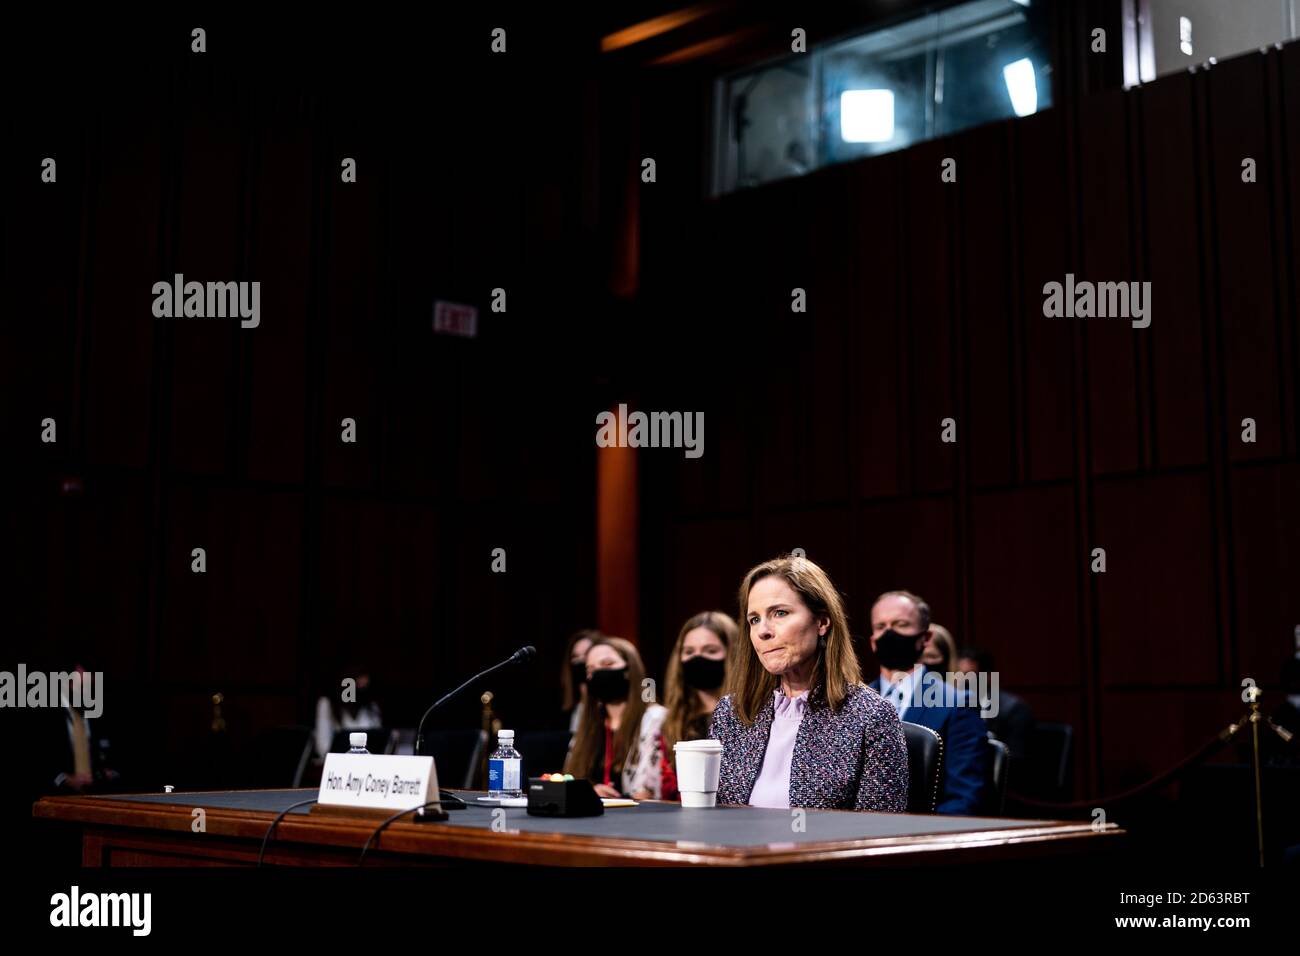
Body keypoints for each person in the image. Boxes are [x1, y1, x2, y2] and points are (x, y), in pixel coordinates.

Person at [708, 555, 908, 811]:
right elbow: (710, 819)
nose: (763, 631)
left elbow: (878, 835)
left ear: (822, 622)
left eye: (779, 613)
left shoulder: (871, 716)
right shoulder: (731, 712)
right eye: (754, 619)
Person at [868, 591, 987, 814]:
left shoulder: (957, 705)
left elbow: (964, 799)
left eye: (901, 624)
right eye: (881, 626)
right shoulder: (852, 703)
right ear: (873, 642)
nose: (889, 633)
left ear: (926, 638)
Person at [564, 636, 672, 800]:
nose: (598, 673)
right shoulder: (589, 725)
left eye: (607, 664)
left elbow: (649, 791)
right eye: (591, 670)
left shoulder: (655, 718)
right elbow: (569, 780)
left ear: (630, 670)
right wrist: (589, 792)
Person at [661, 612, 736, 785]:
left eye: (710, 651)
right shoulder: (671, 721)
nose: (698, 658)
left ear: (732, 654)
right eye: (689, 651)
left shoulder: (751, 715)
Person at [956, 647, 1035, 762]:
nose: (961, 682)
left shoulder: (1015, 710)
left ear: (988, 677)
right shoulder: (954, 706)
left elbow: (1015, 760)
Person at [315, 666, 383, 758]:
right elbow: (323, 746)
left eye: (365, 685)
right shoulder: (328, 704)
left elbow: (378, 741)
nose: (361, 688)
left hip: (367, 762)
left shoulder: (371, 707)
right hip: (337, 763)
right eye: (358, 683)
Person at [560, 629, 601, 742]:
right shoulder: (571, 707)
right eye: (575, 656)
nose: (581, 661)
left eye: (587, 654)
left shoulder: (606, 705)